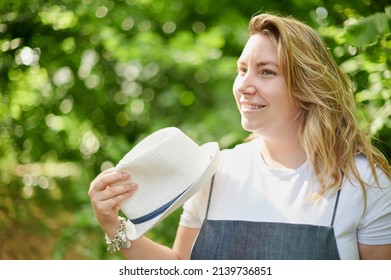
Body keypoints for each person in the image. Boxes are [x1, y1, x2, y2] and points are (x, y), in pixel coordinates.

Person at [88, 12, 391, 259]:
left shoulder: (363, 182)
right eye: (242, 69)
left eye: (266, 72)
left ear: (306, 87)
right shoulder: (215, 172)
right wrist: (113, 224)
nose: (244, 85)